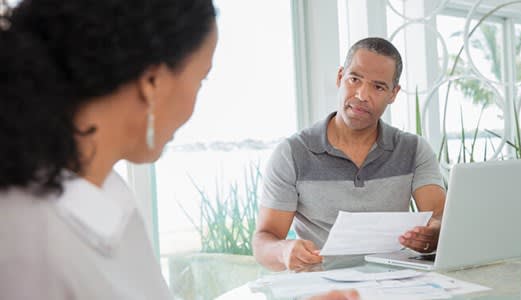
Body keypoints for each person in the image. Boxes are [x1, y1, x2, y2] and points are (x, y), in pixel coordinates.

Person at [0, 0, 358, 299]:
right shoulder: (28, 240)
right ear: (153, 82)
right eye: (200, 79)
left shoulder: (106, 192)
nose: (194, 105)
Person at [253, 37, 447, 271]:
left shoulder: (414, 149)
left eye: (378, 86)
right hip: (323, 289)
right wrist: (283, 251)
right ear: (340, 77)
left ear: (393, 94)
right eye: (355, 79)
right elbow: (264, 240)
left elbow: (440, 216)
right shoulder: (292, 153)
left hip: (396, 286)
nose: (362, 95)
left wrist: (435, 233)